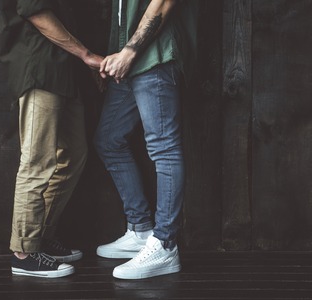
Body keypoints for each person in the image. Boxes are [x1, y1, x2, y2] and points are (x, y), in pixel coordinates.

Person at [0, 0, 104, 278]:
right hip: (39, 66)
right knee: (37, 161)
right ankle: (23, 253)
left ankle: (39, 237)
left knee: (73, 156)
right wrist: (86, 55)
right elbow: (36, 11)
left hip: (64, 71)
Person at [94, 0, 198, 279]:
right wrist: (115, 56)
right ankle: (141, 230)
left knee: (164, 148)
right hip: (129, 61)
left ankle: (165, 244)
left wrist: (128, 51)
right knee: (109, 139)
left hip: (154, 56)